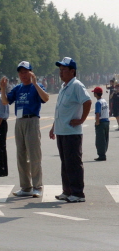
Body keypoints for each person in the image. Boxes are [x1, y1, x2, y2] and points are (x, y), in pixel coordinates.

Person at [0, 61, 49, 198]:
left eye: (26, 72)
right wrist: (3, 89)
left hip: (32, 120)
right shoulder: (17, 88)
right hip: (19, 122)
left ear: (31, 72)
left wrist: (34, 83)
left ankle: (37, 186)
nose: (23, 75)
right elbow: (5, 102)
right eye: (21, 72)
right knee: (21, 156)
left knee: (34, 155)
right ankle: (25, 187)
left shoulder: (36, 86)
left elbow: (46, 98)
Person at [48, 57, 91, 203]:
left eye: (64, 70)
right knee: (65, 163)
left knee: (73, 163)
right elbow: (60, 110)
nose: (61, 72)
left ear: (72, 71)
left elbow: (87, 101)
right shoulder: (64, 86)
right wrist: (54, 127)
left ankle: (78, 193)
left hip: (72, 132)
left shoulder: (77, 85)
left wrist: (82, 120)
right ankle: (67, 191)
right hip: (62, 130)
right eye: (60, 70)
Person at [92, 86, 110, 161]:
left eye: (94, 93)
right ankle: (103, 153)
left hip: (101, 122)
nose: (94, 94)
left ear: (96, 94)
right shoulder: (104, 101)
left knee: (100, 140)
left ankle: (102, 155)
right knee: (105, 139)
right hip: (106, 121)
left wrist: (97, 122)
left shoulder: (98, 103)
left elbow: (98, 113)